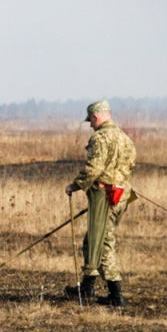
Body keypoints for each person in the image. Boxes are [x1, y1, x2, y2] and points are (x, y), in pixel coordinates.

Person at [64, 100, 136, 307]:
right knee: (93, 240)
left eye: (91, 121)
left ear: (96, 117)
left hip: (105, 197)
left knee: (103, 242)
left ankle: (116, 296)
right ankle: (87, 287)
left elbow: (93, 169)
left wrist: (75, 186)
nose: (90, 125)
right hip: (121, 196)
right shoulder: (125, 138)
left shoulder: (100, 138)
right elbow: (130, 164)